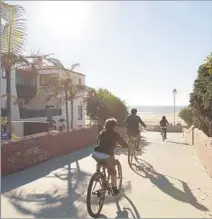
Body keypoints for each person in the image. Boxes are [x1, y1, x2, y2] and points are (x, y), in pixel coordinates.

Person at [93, 118, 128, 196]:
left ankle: (98, 173)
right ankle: (114, 189)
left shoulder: (101, 133)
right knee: (113, 171)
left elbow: (97, 140)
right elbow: (122, 143)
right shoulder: (115, 134)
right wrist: (126, 146)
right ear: (114, 126)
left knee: (100, 161)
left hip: (96, 153)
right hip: (107, 155)